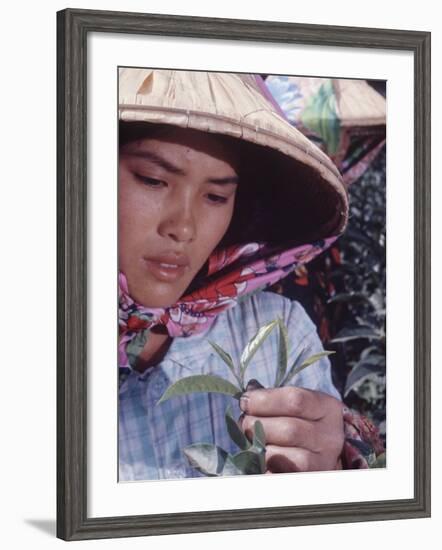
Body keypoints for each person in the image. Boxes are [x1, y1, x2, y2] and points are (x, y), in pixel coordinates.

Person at [118, 68, 384, 481]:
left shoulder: (275, 329)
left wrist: (330, 464)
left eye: (216, 196)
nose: (184, 227)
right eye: (153, 180)